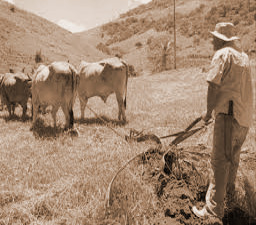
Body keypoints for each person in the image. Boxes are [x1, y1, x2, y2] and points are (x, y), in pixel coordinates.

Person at [192, 22, 254, 221]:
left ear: (220, 39)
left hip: (227, 118)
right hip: (243, 119)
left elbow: (213, 85)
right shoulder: (243, 57)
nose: (212, 40)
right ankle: (229, 198)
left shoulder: (222, 54)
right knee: (233, 161)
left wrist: (208, 112)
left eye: (214, 37)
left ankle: (212, 212)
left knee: (219, 163)